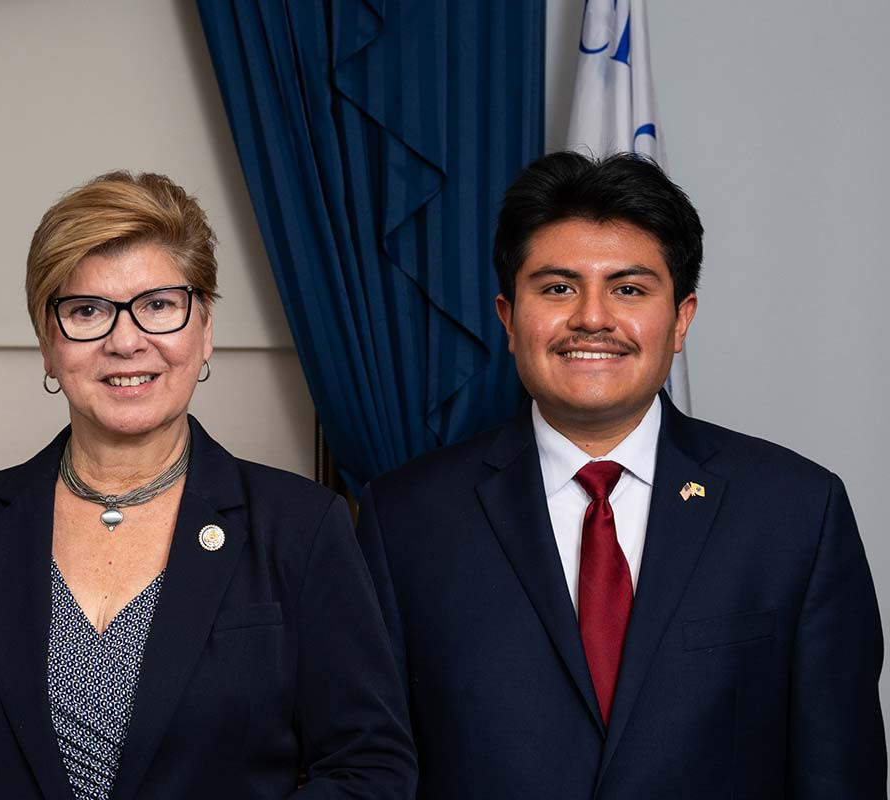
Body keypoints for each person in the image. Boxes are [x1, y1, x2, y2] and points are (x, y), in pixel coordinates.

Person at [356, 152, 886, 798]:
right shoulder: (405, 519)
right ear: (508, 318)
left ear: (681, 318)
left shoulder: (796, 512)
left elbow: (839, 775)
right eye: (558, 288)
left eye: (628, 289)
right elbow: (372, 769)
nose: (592, 318)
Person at [0, 171, 416, 799]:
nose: (126, 341)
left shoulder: (301, 526)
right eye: (87, 311)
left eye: (158, 305)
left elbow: (369, 767)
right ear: (48, 344)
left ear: (205, 328)